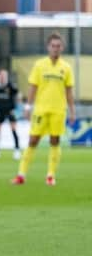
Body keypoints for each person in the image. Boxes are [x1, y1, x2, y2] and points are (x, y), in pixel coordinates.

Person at [11, 31, 76, 185]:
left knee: (55, 141)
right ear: (48, 47)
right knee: (33, 140)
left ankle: (50, 176)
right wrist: (28, 107)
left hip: (58, 110)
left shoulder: (66, 68)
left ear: (62, 48)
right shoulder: (40, 65)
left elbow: (69, 91)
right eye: (53, 46)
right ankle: (21, 175)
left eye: (58, 46)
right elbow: (33, 87)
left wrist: (72, 111)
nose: (55, 49)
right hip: (40, 110)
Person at [0, 69, 21, 160]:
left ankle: (17, 150)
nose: (2, 77)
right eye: (1, 75)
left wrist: (16, 109)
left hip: (10, 110)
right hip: (0, 111)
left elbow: (17, 96)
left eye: (4, 75)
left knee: (13, 130)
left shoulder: (10, 85)